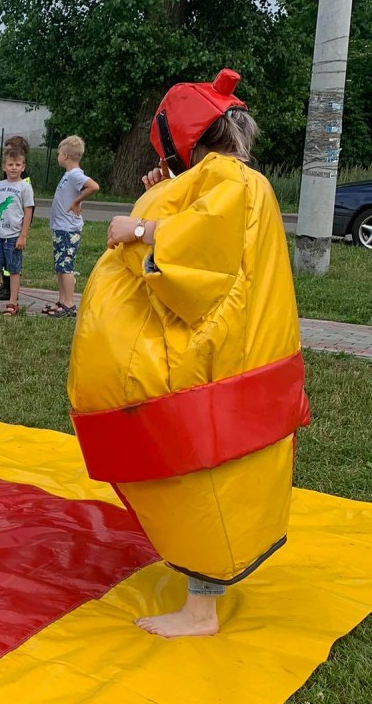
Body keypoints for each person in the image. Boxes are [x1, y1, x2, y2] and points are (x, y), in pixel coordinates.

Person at [68, 70, 309, 638]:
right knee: (211, 471)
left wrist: (138, 229)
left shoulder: (231, 181)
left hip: (218, 359)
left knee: (201, 470)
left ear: (181, 136)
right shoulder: (232, 179)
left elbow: (202, 254)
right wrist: (165, 194)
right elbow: (205, 228)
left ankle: (201, 611)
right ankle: (204, 590)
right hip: (243, 352)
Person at [41, 135, 99, 317]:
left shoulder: (75, 175)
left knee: (66, 266)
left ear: (65, 155)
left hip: (68, 229)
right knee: (60, 266)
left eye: (59, 153)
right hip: (61, 227)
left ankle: (69, 304)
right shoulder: (69, 175)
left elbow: (93, 186)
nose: (58, 157)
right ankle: (62, 301)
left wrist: (76, 202)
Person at [0, 147, 34, 314]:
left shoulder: (25, 187)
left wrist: (23, 236)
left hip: (14, 236)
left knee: (14, 269)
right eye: (10, 164)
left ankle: (13, 302)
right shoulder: (0, 185)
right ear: (4, 166)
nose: (14, 168)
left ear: (23, 167)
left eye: (17, 164)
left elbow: (28, 211)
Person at [0, 135, 32, 303]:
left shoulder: (24, 181)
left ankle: (10, 288)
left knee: (13, 260)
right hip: (4, 225)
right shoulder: (6, 177)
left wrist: (23, 231)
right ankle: (5, 284)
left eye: (9, 150)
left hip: (16, 226)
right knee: (2, 258)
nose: (6, 153)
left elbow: (28, 206)